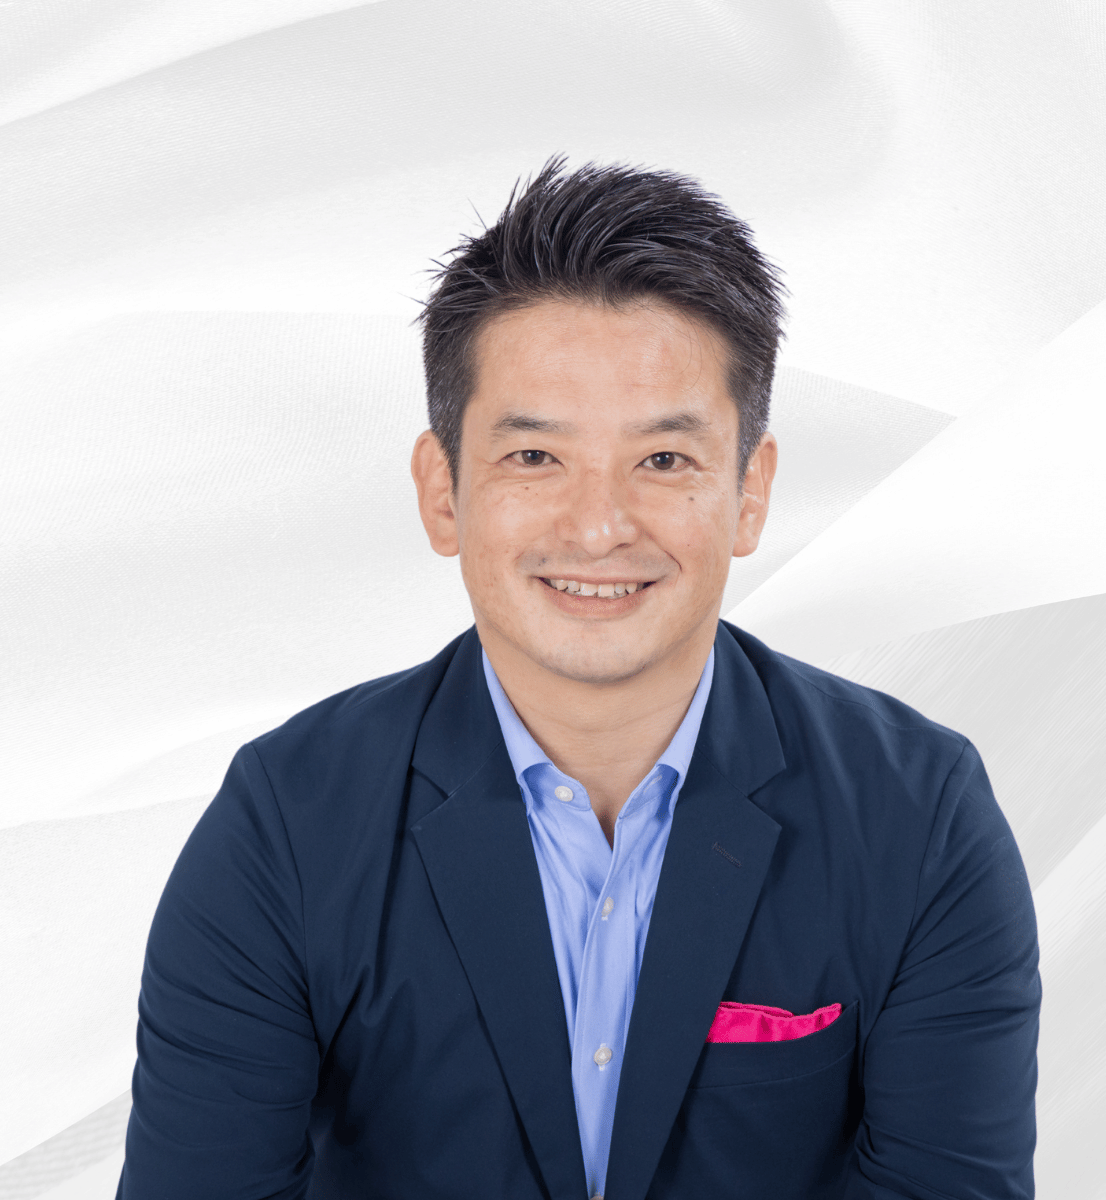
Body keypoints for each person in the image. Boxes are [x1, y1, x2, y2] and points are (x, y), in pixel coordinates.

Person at [117, 157, 1040, 1200]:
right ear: (442, 492)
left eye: (664, 461)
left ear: (749, 493)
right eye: (535, 458)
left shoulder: (917, 815)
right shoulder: (288, 823)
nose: (599, 528)